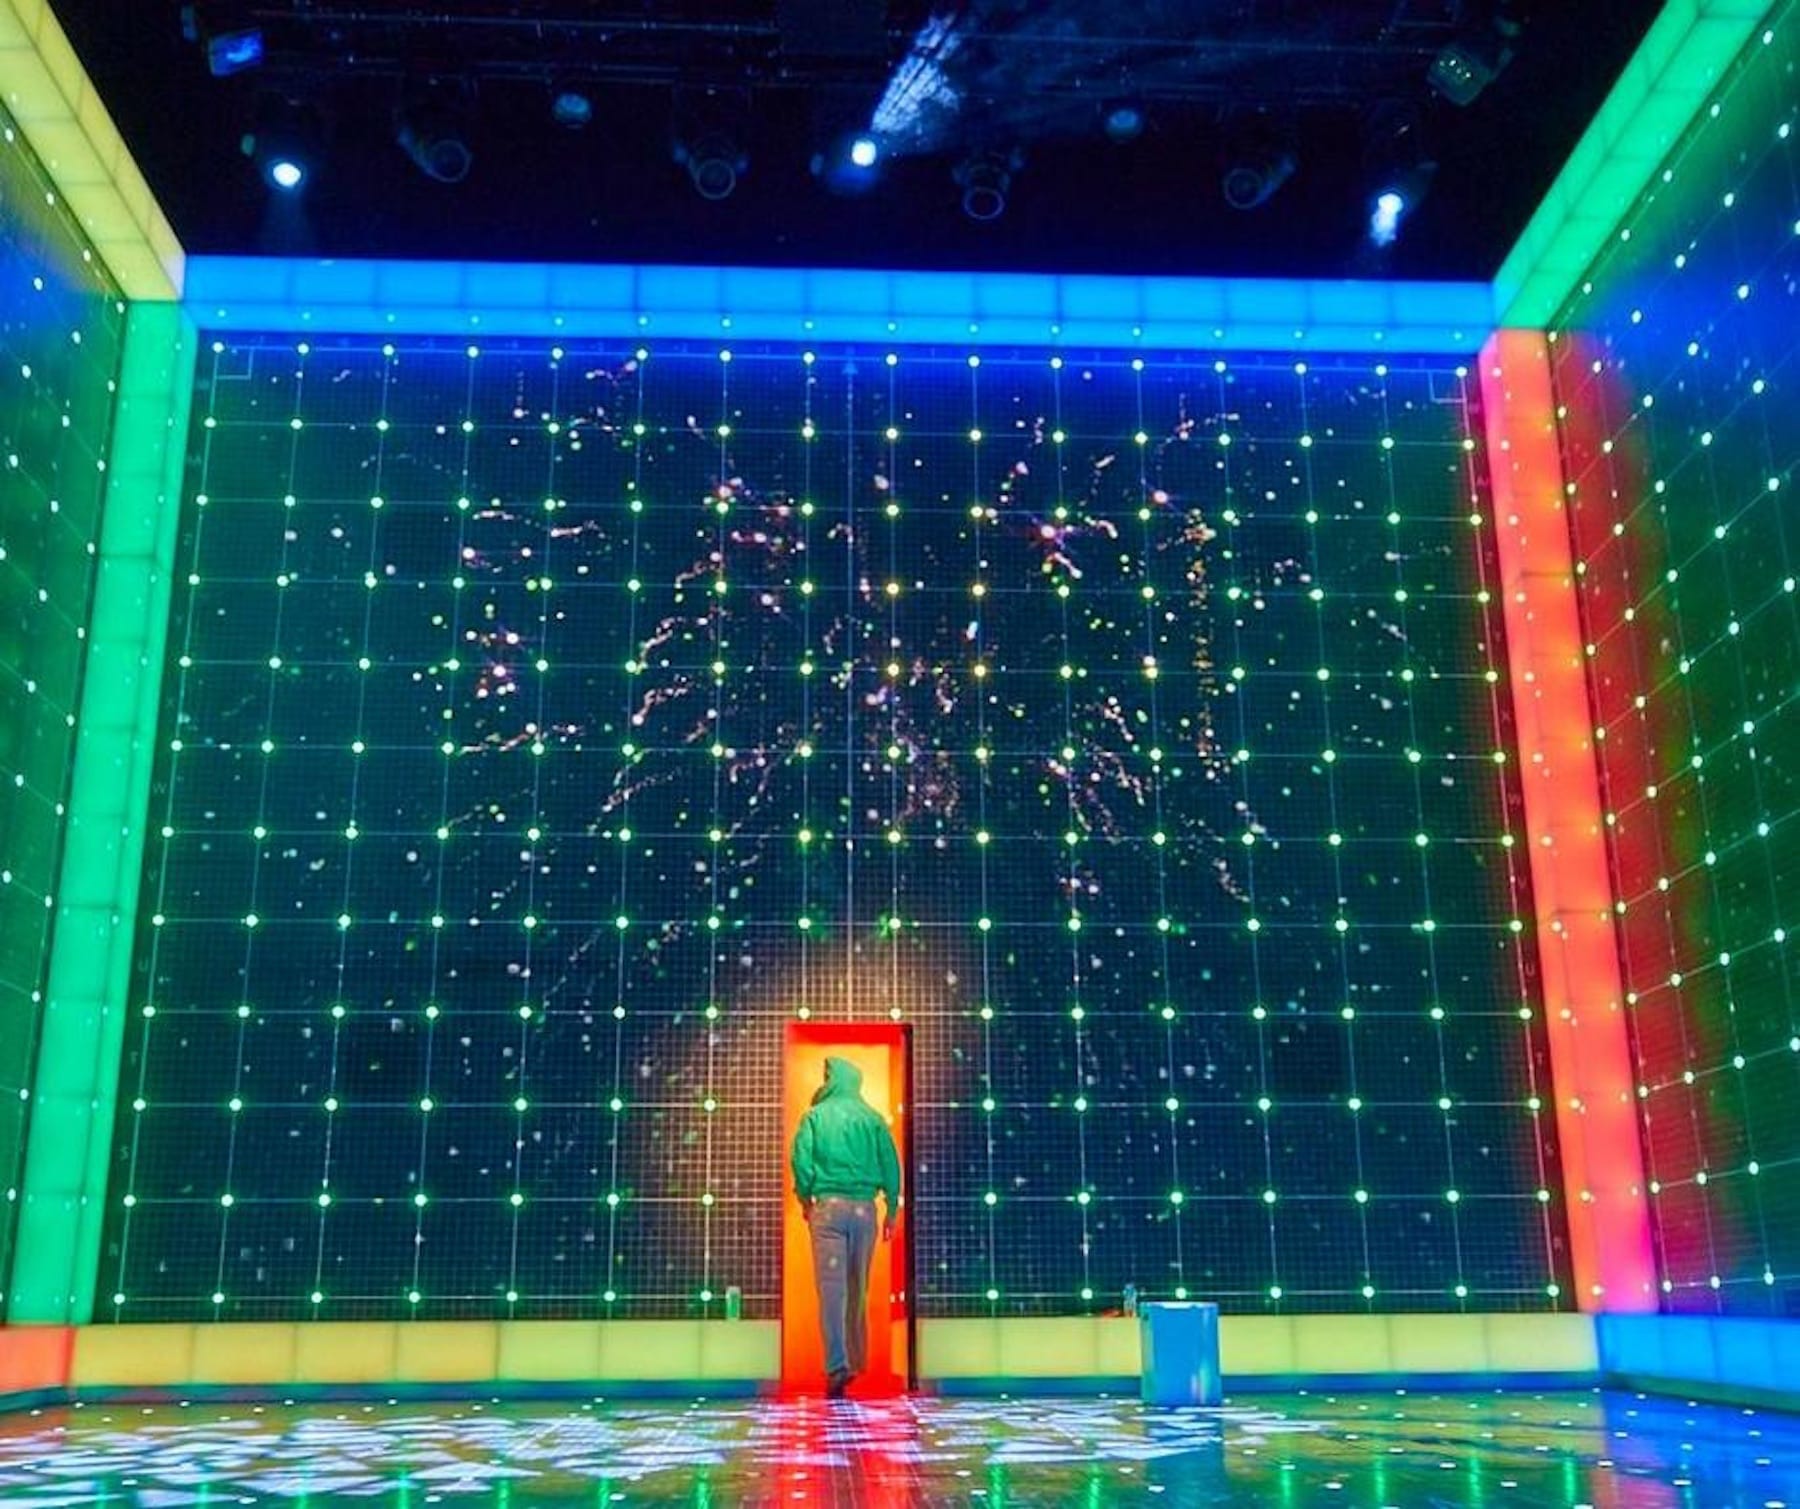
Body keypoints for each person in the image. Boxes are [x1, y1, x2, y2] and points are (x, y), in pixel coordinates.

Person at [789, 1056, 902, 1398]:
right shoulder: (872, 1119)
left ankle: (837, 1365)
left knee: (832, 1291)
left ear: (832, 1079)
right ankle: (854, 1361)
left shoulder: (815, 1116)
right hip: (865, 1210)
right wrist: (891, 1208)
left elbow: (801, 1161)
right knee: (858, 1289)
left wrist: (805, 1198)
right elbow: (890, 1164)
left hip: (828, 1209)